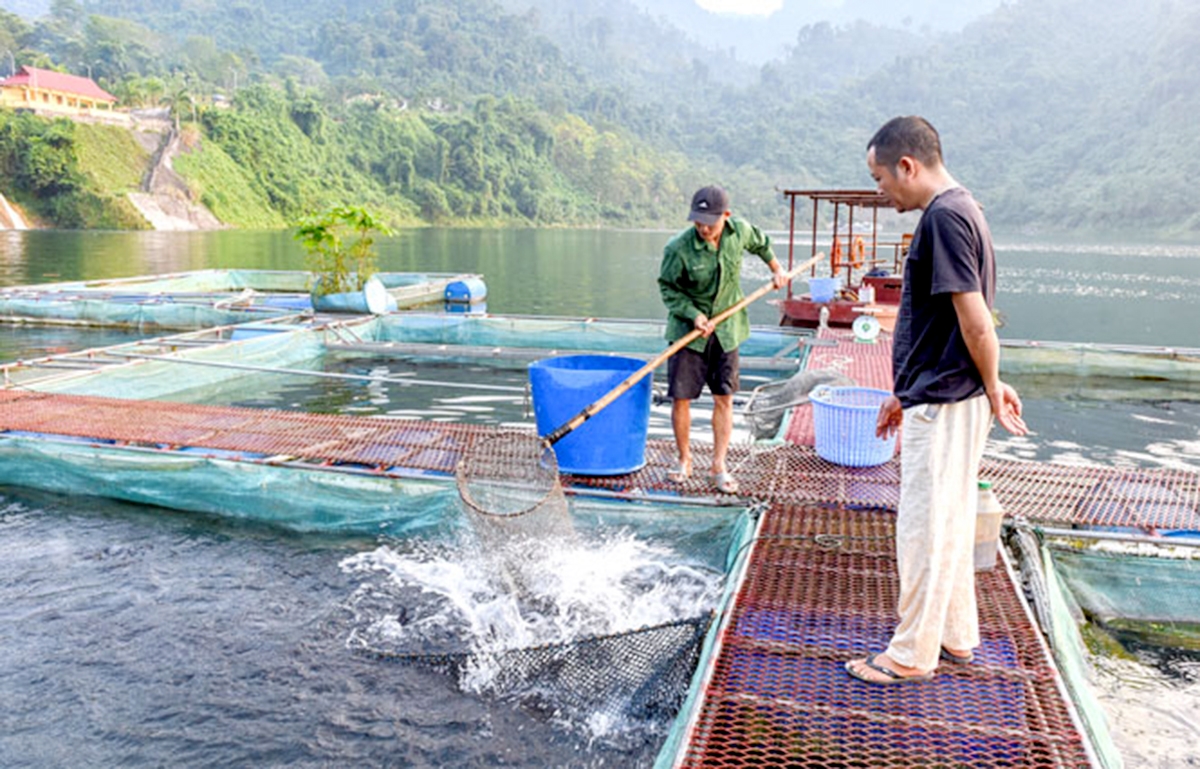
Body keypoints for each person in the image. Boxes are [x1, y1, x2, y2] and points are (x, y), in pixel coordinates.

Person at [846, 116, 1028, 685]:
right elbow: (950, 323)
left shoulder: (945, 218)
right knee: (947, 520)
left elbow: (976, 322)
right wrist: (909, 392)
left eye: (880, 178)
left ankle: (910, 655)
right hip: (947, 391)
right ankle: (955, 636)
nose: (881, 191)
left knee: (924, 528)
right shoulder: (961, 210)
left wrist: (992, 384)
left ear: (908, 165)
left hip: (949, 401)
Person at [658, 185, 787, 494]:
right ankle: (684, 459)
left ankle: (718, 464)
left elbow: (761, 242)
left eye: (710, 223)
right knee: (682, 397)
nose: (703, 228)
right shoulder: (678, 248)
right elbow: (668, 288)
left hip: (728, 328)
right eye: (698, 221)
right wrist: (693, 314)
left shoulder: (739, 232)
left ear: (726, 217)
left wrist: (777, 269)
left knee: (724, 397)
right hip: (689, 333)